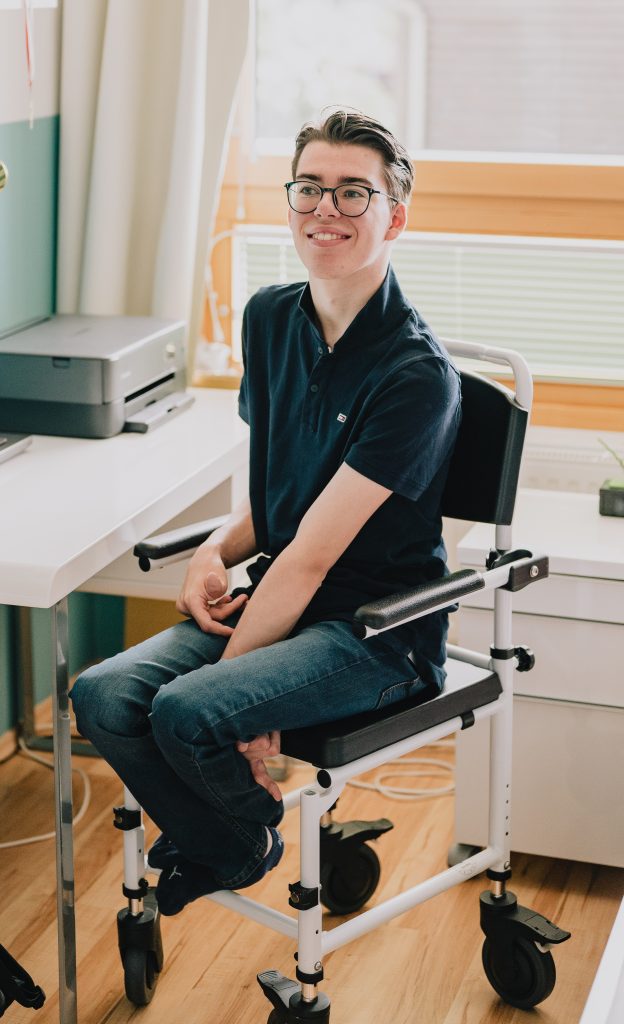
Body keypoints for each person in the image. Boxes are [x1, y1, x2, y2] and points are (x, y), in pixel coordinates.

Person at [70, 109, 461, 917]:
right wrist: (216, 549)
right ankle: (240, 834)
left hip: (375, 632)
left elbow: (315, 559)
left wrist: (237, 688)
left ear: (398, 216)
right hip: (278, 594)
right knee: (102, 696)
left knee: (187, 709)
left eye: (355, 193)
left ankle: (218, 837)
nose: (326, 209)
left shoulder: (416, 374)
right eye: (310, 188)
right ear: (289, 202)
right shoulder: (271, 316)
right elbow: (276, 489)